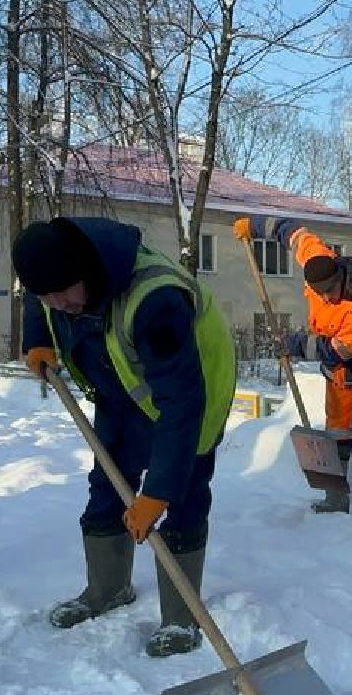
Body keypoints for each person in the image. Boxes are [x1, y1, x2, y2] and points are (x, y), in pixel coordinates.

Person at [12, 216, 237, 657]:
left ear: (86, 273)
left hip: (192, 393)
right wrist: (37, 339)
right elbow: (42, 298)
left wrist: (159, 492)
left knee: (184, 494)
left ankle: (181, 616)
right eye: (47, 296)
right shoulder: (58, 280)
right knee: (108, 483)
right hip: (122, 389)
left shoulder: (156, 299)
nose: (58, 305)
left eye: (64, 293)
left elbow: (181, 404)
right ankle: (108, 588)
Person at [232, 215, 352, 520]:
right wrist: (254, 227)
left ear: (340, 280)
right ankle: (335, 496)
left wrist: (294, 345)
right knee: (337, 426)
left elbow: (334, 352)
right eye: (318, 292)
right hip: (339, 367)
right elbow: (291, 232)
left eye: (329, 292)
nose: (324, 298)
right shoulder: (319, 259)